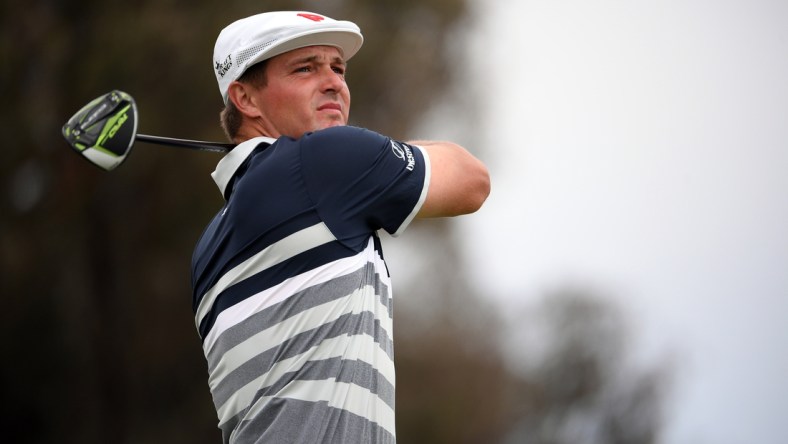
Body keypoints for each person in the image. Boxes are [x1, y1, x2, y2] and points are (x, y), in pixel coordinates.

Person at [191, 10, 490, 444]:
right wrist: (367, 152)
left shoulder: (208, 247)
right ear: (247, 99)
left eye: (338, 68)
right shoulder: (324, 165)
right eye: (306, 68)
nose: (333, 82)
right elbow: (472, 180)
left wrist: (368, 156)